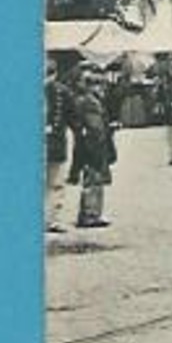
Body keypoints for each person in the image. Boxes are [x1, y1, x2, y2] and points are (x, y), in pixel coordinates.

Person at [67, 65, 116, 229]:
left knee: (95, 179)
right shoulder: (89, 102)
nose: (101, 87)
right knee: (93, 179)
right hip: (93, 146)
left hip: (91, 144)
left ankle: (92, 212)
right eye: (97, 84)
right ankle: (90, 214)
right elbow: (95, 128)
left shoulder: (85, 100)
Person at [45, 57, 71, 233]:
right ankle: (52, 219)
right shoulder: (63, 91)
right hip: (56, 142)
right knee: (56, 182)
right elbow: (72, 115)